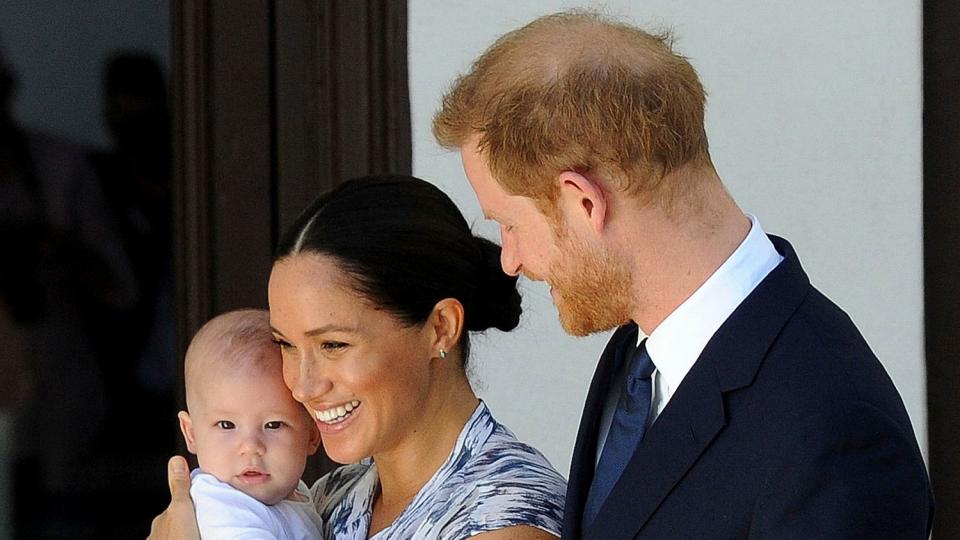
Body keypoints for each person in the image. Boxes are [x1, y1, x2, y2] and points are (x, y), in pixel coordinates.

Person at [431, 9, 934, 539]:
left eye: (510, 225)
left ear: (584, 202)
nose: (510, 260)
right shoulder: (638, 352)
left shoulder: (834, 428)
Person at [149, 176, 566, 539]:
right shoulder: (329, 498)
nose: (302, 385)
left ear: (440, 327)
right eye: (287, 345)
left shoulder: (505, 518)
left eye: (333, 345)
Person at [177, 309, 324, 539]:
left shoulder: (297, 492)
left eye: (273, 425)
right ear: (191, 433)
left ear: (312, 435)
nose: (251, 446)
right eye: (226, 425)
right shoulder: (221, 507)